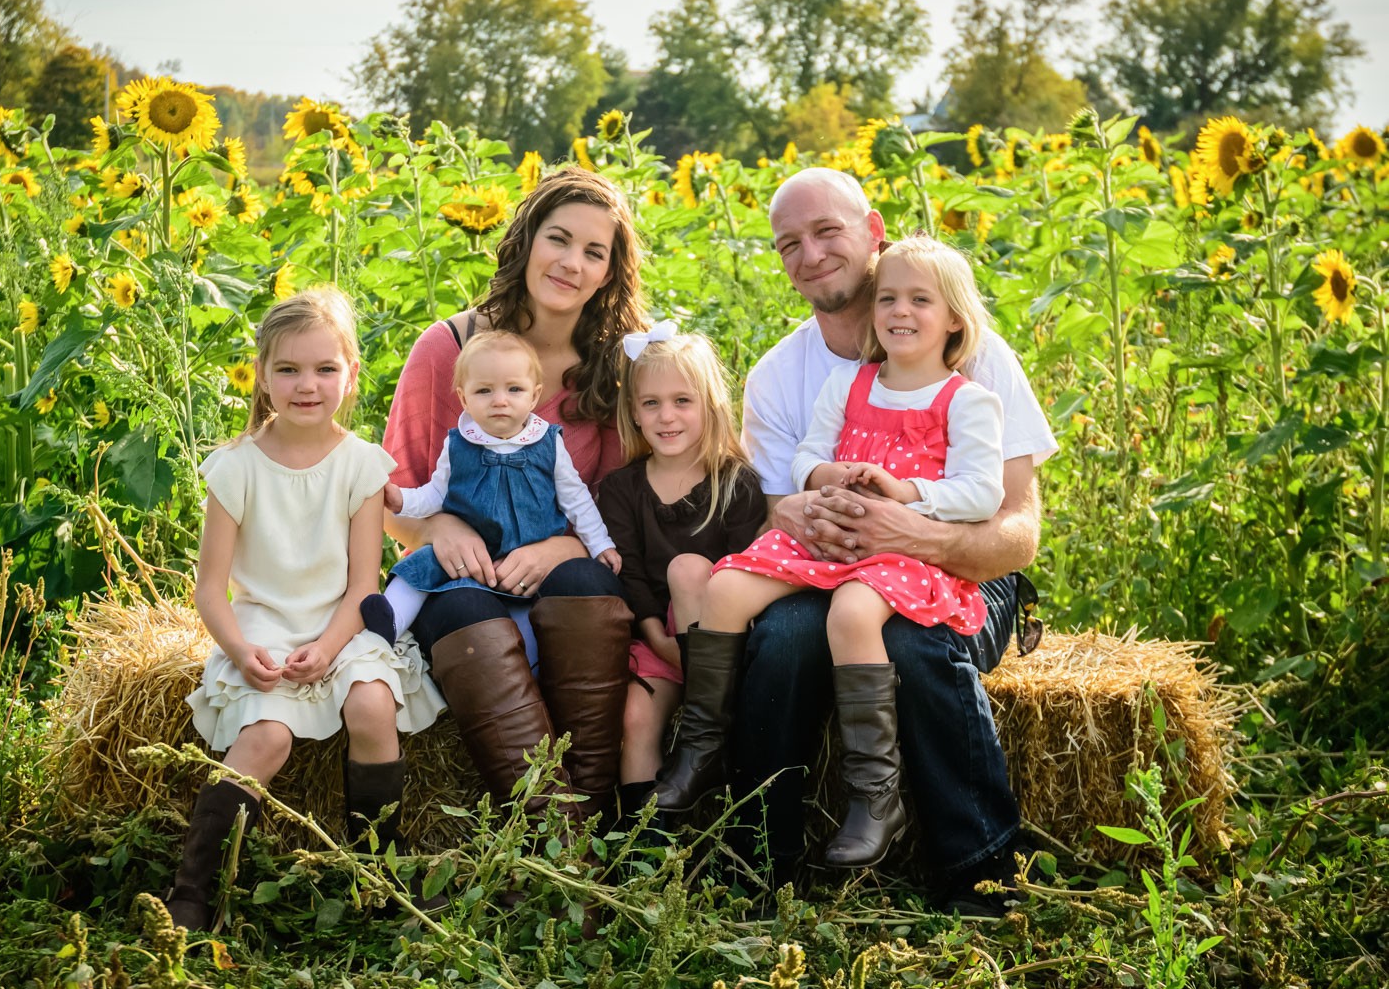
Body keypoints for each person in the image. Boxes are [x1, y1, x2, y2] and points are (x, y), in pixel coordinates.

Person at [728, 168, 1057, 913]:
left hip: (963, 573)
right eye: (789, 243)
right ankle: (759, 862)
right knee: (780, 635)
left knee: (915, 641)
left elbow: (1018, 533)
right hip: (833, 569)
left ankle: (981, 869)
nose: (811, 254)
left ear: (873, 231)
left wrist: (919, 534)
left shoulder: (973, 354)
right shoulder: (779, 375)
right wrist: (807, 514)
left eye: (827, 231)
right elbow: (776, 511)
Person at [656, 237, 1005, 872]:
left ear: (955, 318)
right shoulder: (849, 383)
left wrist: (908, 493)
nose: (900, 311)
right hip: (827, 537)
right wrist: (825, 476)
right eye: (888, 298)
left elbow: (984, 491)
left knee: (851, 613)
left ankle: (875, 793)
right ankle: (701, 747)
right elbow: (806, 455)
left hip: (904, 547)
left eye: (920, 300)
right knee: (726, 589)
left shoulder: (967, 400)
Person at [168, 288, 445, 931]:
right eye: (288, 369)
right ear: (262, 375)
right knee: (266, 737)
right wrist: (242, 652)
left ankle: (378, 872)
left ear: (351, 374)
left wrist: (326, 648)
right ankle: (192, 889)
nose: (307, 385)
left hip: (340, 624)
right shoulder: (235, 468)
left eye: (325, 368)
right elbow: (210, 590)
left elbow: (362, 586)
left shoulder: (362, 466)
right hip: (262, 625)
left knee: (372, 704)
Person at [380, 167, 647, 826]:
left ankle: (593, 818)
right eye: (559, 239)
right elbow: (396, 494)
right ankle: (553, 832)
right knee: (465, 605)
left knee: (587, 582)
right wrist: (439, 529)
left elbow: (619, 505)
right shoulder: (449, 349)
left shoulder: (614, 368)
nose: (572, 263)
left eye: (594, 251)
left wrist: (563, 545)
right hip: (459, 576)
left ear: (609, 273)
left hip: (559, 573)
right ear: (526, 241)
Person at [595, 324, 766, 826]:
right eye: (651, 403)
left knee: (690, 569)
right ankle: (647, 843)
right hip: (657, 637)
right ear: (634, 413)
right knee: (634, 716)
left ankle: (707, 736)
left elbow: (747, 574)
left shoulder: (735, 483)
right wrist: (656, 636)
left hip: (723, 646)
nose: (666, 416)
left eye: (682, 401)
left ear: (710, 405)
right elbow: (629, 574)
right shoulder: (621, 489)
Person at [360, 330, 621, 647]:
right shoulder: (458, 444)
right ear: (464, 398)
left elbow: (576, 501)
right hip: (471, 556)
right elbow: (435, 494)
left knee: (530, 617)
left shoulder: (547, 443)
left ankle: (533, 660)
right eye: (484, 390)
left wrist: (600, 544)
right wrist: (401, 499)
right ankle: (389, 621)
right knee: (420, 567)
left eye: (514, 389)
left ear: (534, 396)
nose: (500, 400)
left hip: (528, 559)